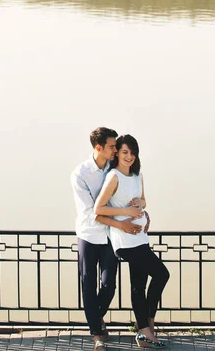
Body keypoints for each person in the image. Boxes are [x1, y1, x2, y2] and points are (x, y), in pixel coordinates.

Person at [71, 127, 144, 351]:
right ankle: (97, 334)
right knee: (88, 283)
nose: (116, 150)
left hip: (110, 237)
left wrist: (142, 209)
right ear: (98, 148)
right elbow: (93, 212)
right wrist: (121, 223)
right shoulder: (80, 174)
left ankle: (95, 318)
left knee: (109, 285)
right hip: (89, 235)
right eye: (112, 147)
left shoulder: (113, 168)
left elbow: (128, 196)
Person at [95, 134, 170, 349]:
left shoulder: (138, 175)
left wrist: (141, 204)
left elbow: (144, 200)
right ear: (117, 152)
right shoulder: (113, 176)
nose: (129, 157)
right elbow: (99, 209)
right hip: (124, 240)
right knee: (162, 274)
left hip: (140, 236)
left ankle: (144, 333)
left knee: (139, 286)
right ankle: (148, 325)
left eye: (132, 152)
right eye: (125, 152)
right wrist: (126, 212)